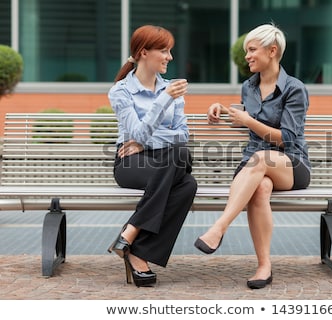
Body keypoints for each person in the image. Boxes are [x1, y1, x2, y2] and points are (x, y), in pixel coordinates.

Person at [194, 23, 311, 289]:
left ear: (272, 51)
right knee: (260, 187)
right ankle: (264, 266)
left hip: (292, 164)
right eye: (246, 50)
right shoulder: (249, 86)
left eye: (252, 49)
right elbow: (248, 117)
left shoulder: (294, 89)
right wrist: (221, 109)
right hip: (256, 167)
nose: (247, 56)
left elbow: (287, 137)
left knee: (260, 159)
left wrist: (248, 121)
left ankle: (219, 228)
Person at [107, 25, 197, 287]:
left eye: (170, 51)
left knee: (183, 163)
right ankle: (134, 245)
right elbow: (136, 133)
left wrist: (145, 144)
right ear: (144, 52)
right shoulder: (121, 91)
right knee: (186, 181)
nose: (169, 57)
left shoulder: (172, 89)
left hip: (165, 159)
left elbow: (182, 136)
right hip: (130, 163)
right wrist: (163, 99)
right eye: (164, 51)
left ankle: (132, 239)